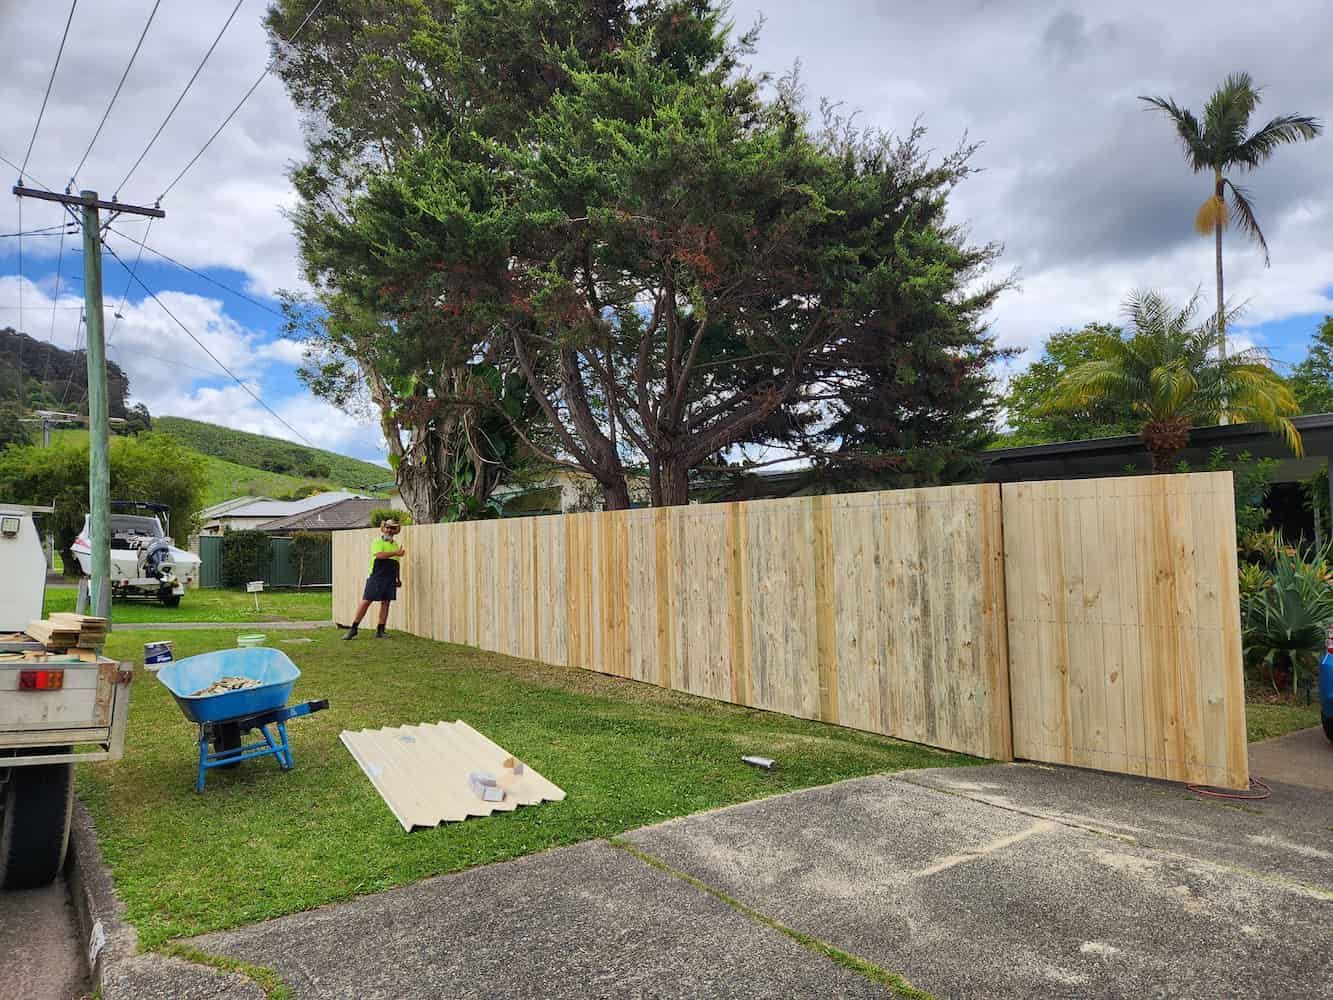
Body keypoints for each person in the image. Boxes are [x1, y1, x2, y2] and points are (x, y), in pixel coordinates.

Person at [343, 519, 405, 639]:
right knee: (366, 601)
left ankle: (380, 630)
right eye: (387, 527)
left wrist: (398, 578)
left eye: (392, 528)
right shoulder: (378, 541)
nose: (389, 530)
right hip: (377, 576)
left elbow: (396, 563)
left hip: (390, 577)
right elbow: (379, 555)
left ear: (395, 531)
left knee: (386, 603)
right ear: (383, 528)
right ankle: (353, 628)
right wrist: (396, 553)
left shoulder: (395, 544)